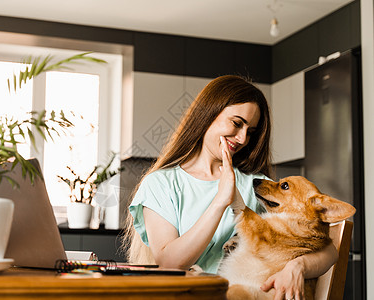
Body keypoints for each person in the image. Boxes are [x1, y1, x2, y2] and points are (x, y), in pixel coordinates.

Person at [122, 75, 338, 300]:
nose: (243, 138)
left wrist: (298, 266)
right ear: (208, 114)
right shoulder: (161, 184)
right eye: (236, 123)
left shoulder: (256, 186)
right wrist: (221, 201)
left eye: (251, 131)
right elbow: (170, 263)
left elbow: (329, 250)